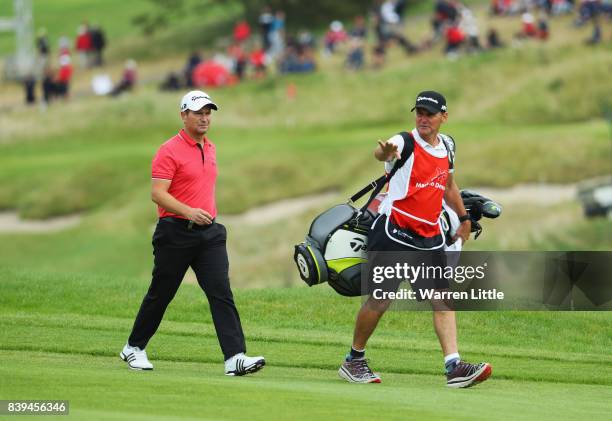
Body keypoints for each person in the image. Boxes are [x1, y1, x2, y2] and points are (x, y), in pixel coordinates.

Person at [338, 91, 492, 388]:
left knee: (442, 298)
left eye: (429, 114)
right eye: (419, 112)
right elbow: (384, 151)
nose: (423, 118)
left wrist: (464, 219)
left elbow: (448, 184)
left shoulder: (447, 145)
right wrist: (385, 152)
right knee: (381, 299)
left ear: (443, 117)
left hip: (429, 235)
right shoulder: (404, 142)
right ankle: (353, 360)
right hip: (393, 232)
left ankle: (454, 367)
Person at [121, 91, 265, 376]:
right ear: (183, 115)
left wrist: (205, 217)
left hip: (208, 234)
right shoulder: (169, 150)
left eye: (208, 112)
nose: (204, 117)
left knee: (221, 292)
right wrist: (188, 212)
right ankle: (133, 348)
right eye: (198, 112)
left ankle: (234, 357)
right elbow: (157, 194)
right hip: (175, 232)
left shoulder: (210, 147)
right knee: (162, 293)